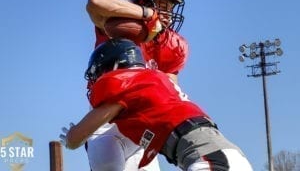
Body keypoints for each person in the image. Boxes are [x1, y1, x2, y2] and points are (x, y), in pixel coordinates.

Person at [60, 39, 253, 171]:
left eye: (98, 74)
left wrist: (70, 136)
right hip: (221, 154)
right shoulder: (157, 79)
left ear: (113, 67)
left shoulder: (123, 82)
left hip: (210, 158)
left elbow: (77, 137)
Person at [84, 0, 188, 170]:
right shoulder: (118, 26)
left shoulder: (174, 44)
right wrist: (147, 15)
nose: (168, 14)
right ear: (142, 1)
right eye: (163, 6)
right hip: (106, 120)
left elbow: (170, 91)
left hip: (141, 121)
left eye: (171, 8)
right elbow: (95, 2)